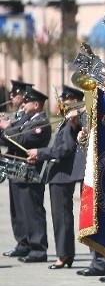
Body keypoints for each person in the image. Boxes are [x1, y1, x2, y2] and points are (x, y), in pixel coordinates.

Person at [26, 85, 86, 269]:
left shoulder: (73, 122)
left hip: (63, 175)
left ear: (74, 101)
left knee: (62, 218)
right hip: (57, 175)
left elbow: (64, 149)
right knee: (59, 218)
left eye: (65, 100)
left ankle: (64, 255)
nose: (62, 104)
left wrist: (39, 152)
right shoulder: (66, 121)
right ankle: (65, 253)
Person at [0, 87, 52, 262]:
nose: (23, 103)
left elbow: (23, 140)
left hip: (31, 173)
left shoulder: (41, 123)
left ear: (36, 104)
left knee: (33, 211)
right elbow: (9, 139)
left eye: (26, 101)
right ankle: (24, 244)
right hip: (19, 171)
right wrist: (4, 129)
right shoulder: (27, 120)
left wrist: (7, 128)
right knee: (19, 211)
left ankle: (38, 249)